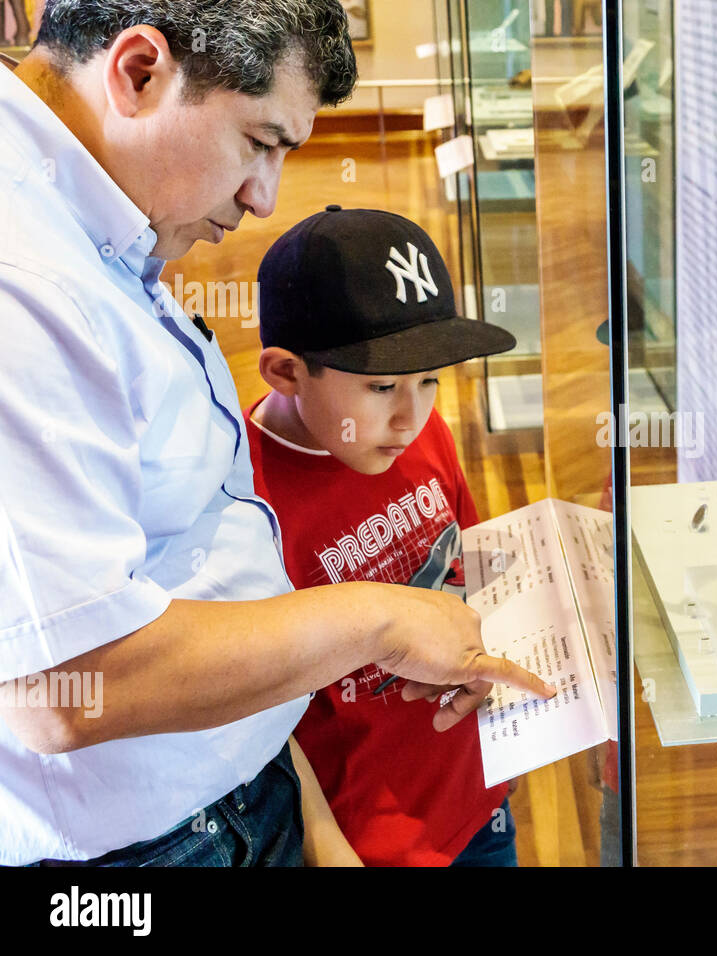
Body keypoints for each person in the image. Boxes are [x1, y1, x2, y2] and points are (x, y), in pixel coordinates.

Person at [0, 0, 551, 867]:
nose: (263, 198)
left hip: (243, 798)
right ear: (139, 73)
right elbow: (59, 688)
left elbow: (189, 557)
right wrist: (381, 621)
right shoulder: (22, 283)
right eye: (259, 143)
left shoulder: (90, 228)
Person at [244, 207, 521, 866]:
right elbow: (256, 709)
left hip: (480, 792)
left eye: (430, 379)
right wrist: (325, 846)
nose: (411, 415)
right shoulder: (244, 499)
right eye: (382, 386)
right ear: (284, 371)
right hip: (368, 841)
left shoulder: (422, 433)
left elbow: (471, 572)